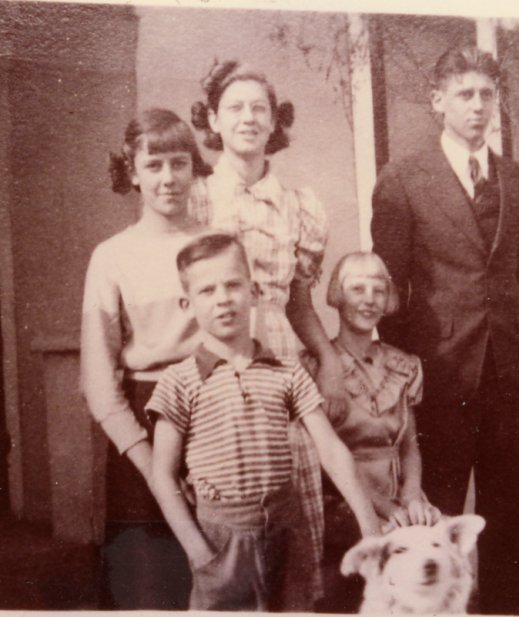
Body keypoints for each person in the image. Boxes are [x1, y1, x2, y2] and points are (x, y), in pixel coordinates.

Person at [371, 46, 519, 615]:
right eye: (465, 94)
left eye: (487, 94)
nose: (478, 105)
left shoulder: (518, 179)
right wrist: (406, 372)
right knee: (434, 512)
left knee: (508, 506)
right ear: (438, 101)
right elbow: (390, 290)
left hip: (509, 367)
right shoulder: (402, 179)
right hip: (437, 373)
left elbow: (514, 277)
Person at [147, 231, 381, 611]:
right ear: (187, 304)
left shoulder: (286, 372)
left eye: (233, 285)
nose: (223, 299)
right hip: (222, 541)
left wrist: (369, 526)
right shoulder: (179, 381)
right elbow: (162, 474)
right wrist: (198, 550)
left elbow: (331, 450)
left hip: (287, 534)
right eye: (207, 290)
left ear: (254, 292)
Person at [188, 60, 345, 604]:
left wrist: (329, 362)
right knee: (230, 516)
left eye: (260, 108)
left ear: (275, 121)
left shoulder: (300, 205)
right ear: (213, 119)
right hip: (215, 360)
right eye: (234, 107)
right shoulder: (197, 198)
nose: (249, 118)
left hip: (281, 363)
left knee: (291, 511)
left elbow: (299, 303)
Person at [80, 108, 211, 609]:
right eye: (153, 165)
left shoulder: (215, 245)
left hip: (212, 416)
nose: (168, 178)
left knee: (216, 575)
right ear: (132, 172)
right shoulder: (112, 256)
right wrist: (150, 463)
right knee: (148, 587)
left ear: (194, 167)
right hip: (142, 425)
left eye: (179, 163)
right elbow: (99, 382)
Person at [302, 252, 441, 613]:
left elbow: (409, 446)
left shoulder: (403, 364)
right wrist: (385, 508)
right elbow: (322, 457)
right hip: (342, 499)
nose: (369, 299)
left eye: (378, 290)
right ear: (337, 295)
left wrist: (412, 495)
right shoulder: (315, 366)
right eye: (357, 289)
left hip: (397, 495)